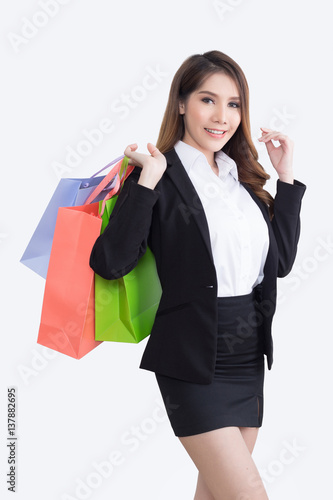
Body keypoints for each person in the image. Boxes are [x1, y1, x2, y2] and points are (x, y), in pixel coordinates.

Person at [89, 50, 306, 500]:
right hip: (192, 358)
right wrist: (147, 179)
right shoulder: (158, 174)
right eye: (208, 100)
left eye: (234, 104)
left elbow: (279, 262)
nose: (221, 116)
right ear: (182, 103)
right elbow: (110, 262)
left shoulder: (241, 178)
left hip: (247, 354)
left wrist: (285, 181)